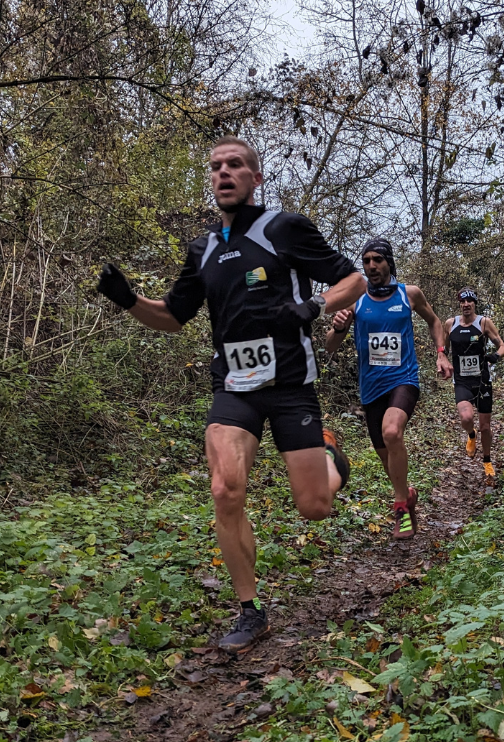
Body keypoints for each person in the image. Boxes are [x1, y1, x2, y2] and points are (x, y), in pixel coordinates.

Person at [96, 136, 366, 653]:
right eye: (216, 166)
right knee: (225, 490)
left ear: (255, 178)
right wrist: (127, 298)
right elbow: (173, 318)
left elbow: (351, 279)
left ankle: (333, 458)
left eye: (235, 165)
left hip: (290, 387)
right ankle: (250, 610)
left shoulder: (283, 228)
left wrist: (311, 304)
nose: (223, 173)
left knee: (313, 507)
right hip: (234, 388)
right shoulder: (203, 249)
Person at [324, 238, 450, 539]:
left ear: (388, 262)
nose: (371, 266)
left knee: (392, 432)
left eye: (377, 260)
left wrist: (441, 352)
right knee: (388, 461)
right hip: (371, 388)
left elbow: (434, 321)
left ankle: (400, 510)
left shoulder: (409, 294)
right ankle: (406, 494)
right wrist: (340, 327)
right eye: (366, 261)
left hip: (403, 379)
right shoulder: (355, 298)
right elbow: (329, 345)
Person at [447, 288, 504, 480]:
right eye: (462, 302)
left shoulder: (484, 323)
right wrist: (443, 361)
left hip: (482, 381)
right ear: (459, 304)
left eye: (469, 301)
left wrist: (496, 356)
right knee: (466, 418)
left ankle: (487, 461)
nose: (466, 305)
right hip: (462, 381)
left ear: (474, 304)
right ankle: (471, 435)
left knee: (486, 427)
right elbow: (441, 348)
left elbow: (502, 346)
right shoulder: (450, 324)